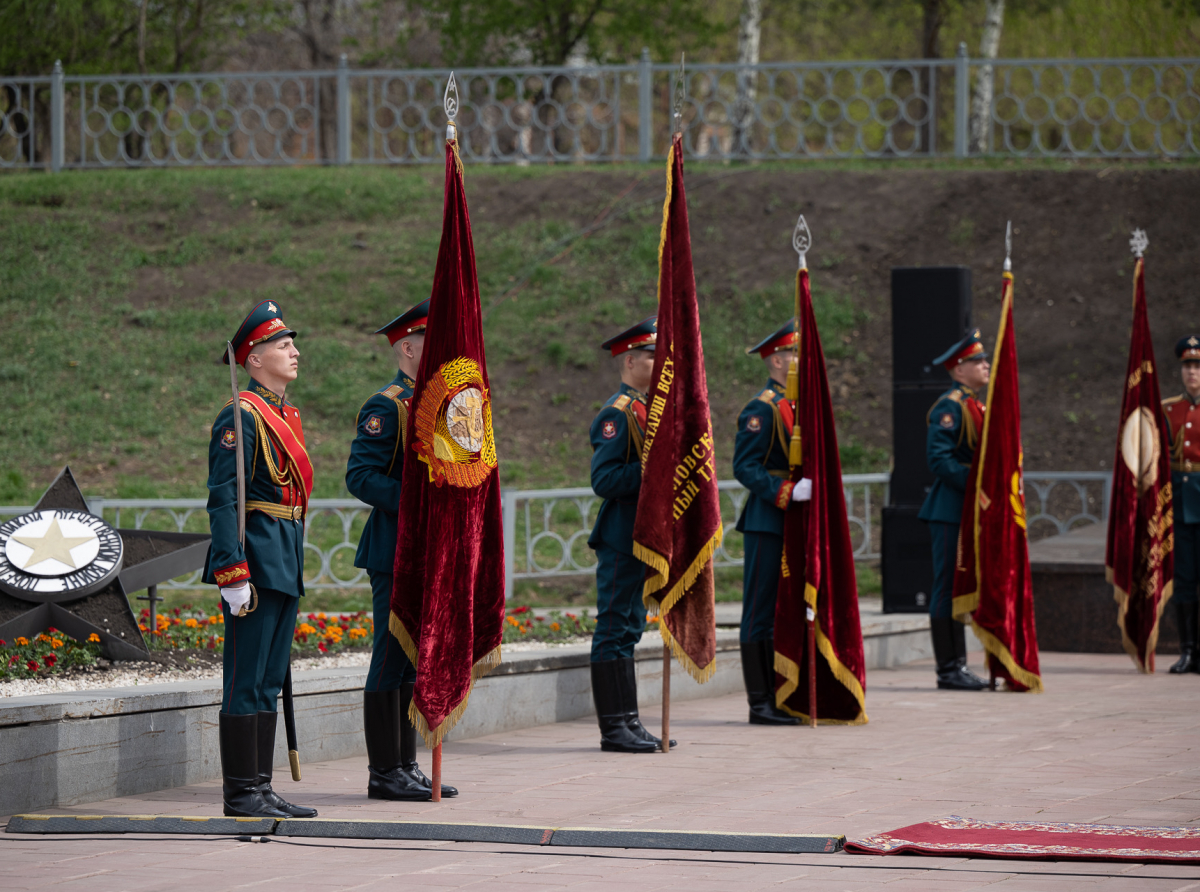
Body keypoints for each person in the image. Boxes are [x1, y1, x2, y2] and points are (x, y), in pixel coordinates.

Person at [204, 299, 317, 819]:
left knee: (270, 677)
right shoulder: (240, 416)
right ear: (252, 359)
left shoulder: (282, 414)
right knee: (245, 677)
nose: (294, 352)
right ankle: (240, 792)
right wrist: (232, 571)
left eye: (292, 344)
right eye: (282, 345)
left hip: (284, 556)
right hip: (253, 561)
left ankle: (261, 785)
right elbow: (225, 498)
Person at [345, 299, 456, 798]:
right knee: (390, 659)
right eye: (432, 340)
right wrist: (417, 501)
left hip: (429, 552)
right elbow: (360, 477)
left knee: (415, 661)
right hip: (394, 549)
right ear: (408, 347)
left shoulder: (443, 405)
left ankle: (406, 765)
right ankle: (383, 772)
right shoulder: (387, 406)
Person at [586, 317, 673, 753]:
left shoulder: (643, 407)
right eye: (653, 355)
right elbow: (604, 480)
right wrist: (650, 472)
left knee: (631, 630)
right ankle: (614, 727)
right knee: (614, 627)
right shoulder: (616, 413)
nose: (660, 362)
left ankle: (630, 721)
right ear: (631, 360)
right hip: (621, 536)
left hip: (642, 535)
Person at [733, 321, 807, 725]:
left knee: (789, 608)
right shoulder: (762, 407)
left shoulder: (799, 404)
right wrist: (786, 492)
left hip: (796, 520)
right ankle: (761, 702)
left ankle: (785, 693)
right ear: (777, 360)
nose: (800, 360)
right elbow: (744, 466)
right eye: (794, 353)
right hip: (768, 519)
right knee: (760, 611)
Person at [918, 330, 991, 691]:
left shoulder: (977, 405)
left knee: (961, 586)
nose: (985, 365)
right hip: (950, 510)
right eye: (977, 361)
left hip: (969, 510)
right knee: (947, 588)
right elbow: (940, 461)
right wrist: (979, 485)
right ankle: (948, 669)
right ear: (958, 370)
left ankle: (959, 665)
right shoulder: (950, 407)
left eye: (984, 359)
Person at [1163, 334, 1200, 674]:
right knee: (1185, 577)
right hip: (1180, 502)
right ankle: (1188, 650)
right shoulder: (1169, 409)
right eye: (1187, 366)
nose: (1192, 372)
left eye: (1197, 366)